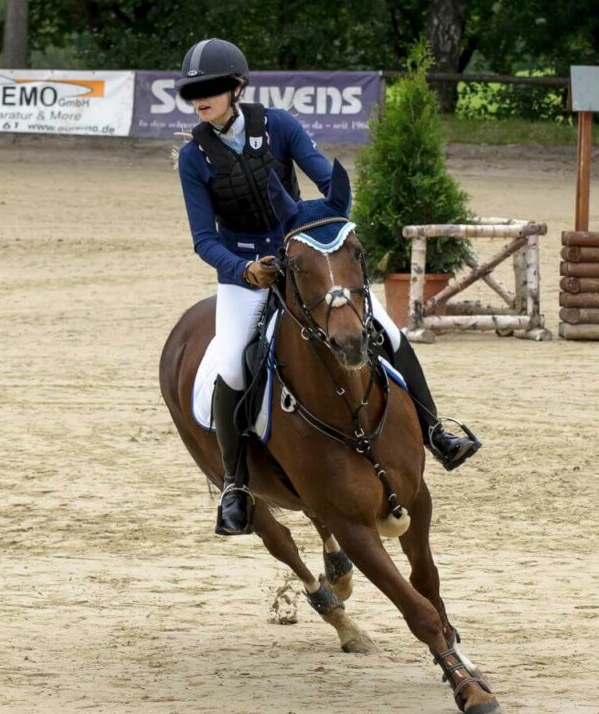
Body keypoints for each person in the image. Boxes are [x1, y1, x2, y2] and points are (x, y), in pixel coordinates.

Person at [175, 38, 481, 537]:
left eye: (210, 89)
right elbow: (203, 239)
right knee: (231, 361)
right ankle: (235, 485)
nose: (201, 99)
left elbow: (329, 186)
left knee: (388, 332)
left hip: (306, 259)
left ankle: (435, 433)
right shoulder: (194, 158)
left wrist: (319, 241)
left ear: (235, 87)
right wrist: (243, 270)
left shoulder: (281, 127)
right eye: (193, 92)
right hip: (246, 274)